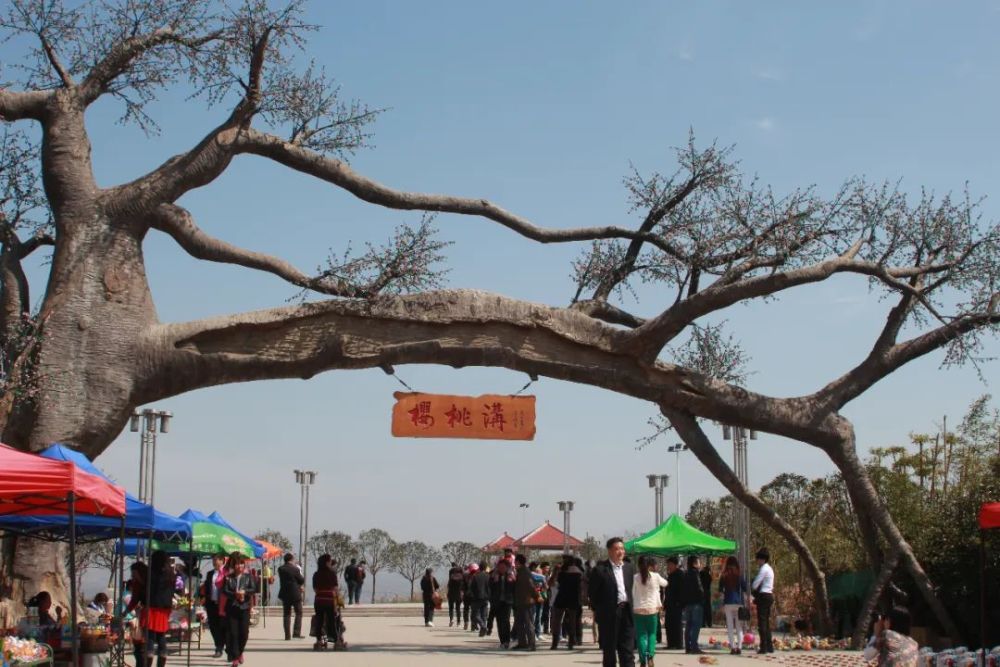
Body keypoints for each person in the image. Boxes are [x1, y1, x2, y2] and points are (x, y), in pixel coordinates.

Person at [587, 537, 636, 667]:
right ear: (609, 551)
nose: (620, 552)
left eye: (622, 549)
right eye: (616, 549)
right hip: (609, 615)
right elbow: (592, 594)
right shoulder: (600, 570)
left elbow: (629, 589)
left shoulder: (629, 568)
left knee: (628, 650)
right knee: (609, 651)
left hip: (626, 612)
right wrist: (602, 609)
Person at [127, 550, 175, 667]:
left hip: (151, 608)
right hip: (165, 609)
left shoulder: (149, 574)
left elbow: (137, 597)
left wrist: (125, 612)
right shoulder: (171, 574)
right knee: (161, 637)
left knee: (150, 638)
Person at [633, 556, 668, 667]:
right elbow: (665, 583)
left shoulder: (635, 577)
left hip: (638, 610)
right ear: (649, 565)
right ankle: (651, 656)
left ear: (638, 565)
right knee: (652, 634)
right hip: (652, 610)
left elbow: (632, 592)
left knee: (641, 635)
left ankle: (643, 659)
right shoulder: (655, 576)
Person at [222, 552, 255, 667]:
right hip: (232, 608)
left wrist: (244, 593)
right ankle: (235, 657)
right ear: (233, 565)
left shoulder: (249, 577)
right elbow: (224, 591)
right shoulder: (228, 578)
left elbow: (253, 589)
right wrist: (234, 594)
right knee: (233, 633)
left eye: (241, 564)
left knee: (244, 633)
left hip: (244, 608)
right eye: (237, 564)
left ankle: (240, 652)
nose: (239, 566)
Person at [551, 554, 582, 650]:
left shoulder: (562, 571)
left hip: (562, 596)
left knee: (557, 620)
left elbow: (557, 582)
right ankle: (571, 642)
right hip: (574, 597)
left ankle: (555, 643)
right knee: (572, 621)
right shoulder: (579, 572)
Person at [719, 556, 749, 655]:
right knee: (739, 626)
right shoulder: (739, 576)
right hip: (738, 602)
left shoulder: (724, 576)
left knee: (730, 626)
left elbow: (720, 591)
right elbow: (745, 588)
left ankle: (732, 647)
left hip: (728, 603)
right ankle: (739, 647)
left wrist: (721, 603)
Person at [312, 554, 341, 650]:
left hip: (319, 600)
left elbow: (315, 589)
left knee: (319, 621)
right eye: (329, 561)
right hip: (329, 600)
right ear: (326, 562)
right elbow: (336, 589)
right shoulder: (332, 574)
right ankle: (336, 641)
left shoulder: (316, 574)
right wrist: (337, 602)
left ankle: (319, 641)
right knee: (331, 622)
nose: (330, 562)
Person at [202, 552, 229, 657]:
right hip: (211, 604)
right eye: (213, 560)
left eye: (217, 559)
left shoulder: (226, 573)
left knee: (223, 626)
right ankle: (218, 647)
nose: (214, 561)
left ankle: (226, 645)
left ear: (223, 561)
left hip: (223, 605)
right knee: (213, 626)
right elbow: (207, 588)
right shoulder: (209, 574)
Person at [751, 548, 775, 654]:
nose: (757, 561)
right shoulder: (769, 568)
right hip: (769, 595)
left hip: (763, 596)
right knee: (766, 623)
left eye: (758, 559)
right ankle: (769, 646)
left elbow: (755, 584)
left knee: (762, 623)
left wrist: (752, 585)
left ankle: (763, 647)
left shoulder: (764, 569)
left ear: (762, 559)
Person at [277, 553, 305, 641]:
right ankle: (296, 633)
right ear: (291, 559)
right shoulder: (295, 569)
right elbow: (301, 580)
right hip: (295, 593)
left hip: (285, 593)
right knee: (299, 613)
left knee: (286, 614)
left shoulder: (280, 569)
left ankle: (287, 635)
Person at [682, 556, 705, 655]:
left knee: (688, 625)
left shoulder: (685, 574)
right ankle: (694, 646)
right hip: (696, 603)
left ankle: (688, 646)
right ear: (695, 563)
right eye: (698, 562)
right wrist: (702, 597)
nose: (700, 564)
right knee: (696, 625)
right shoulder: (696, 573)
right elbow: (699, 588)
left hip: (687, 603)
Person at [489, 558, 515, 649]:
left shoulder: (511, 575)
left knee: (506, 621)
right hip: (497, 601)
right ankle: (502, 641)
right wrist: (494, 581)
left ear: (507, 567)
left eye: (503, 567)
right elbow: (489, 587)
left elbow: (515, 588)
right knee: (499, 621)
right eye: (499, 567)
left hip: (508, 602)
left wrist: (512, 581)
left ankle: (507, 641)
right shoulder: (494, 575)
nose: (501, 569)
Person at [513, 554, 537, 650]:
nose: (514, 563)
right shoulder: (519, 572)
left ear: (519, 562)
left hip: (527, 602)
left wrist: (535, 597)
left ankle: (532, 644)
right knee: (519, 623)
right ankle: (522, 642)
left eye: (515, 562)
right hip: (519, 601)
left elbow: (532, 586)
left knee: (528, 624)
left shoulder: (526, 573)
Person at [468, 562, 490, 636]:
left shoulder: (476, 576)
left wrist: (471, 595)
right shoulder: (488, 576)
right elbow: (490, 587)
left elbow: (472, 587)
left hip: (477, 598)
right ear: (486, 567)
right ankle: (482, 631)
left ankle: (483, 627)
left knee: (475, 615)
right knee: (484, 616)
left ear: (479, 568)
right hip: (486, 598)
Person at [446, 562, 464, 627]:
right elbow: (463, 585)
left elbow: (449, 584)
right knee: (458, 608)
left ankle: (451, 620)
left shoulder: (451, 573)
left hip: (451, 593)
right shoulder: (461, 577)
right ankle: (458, 622)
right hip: (458, 594)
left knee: (451, 608)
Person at [699, 562, 713, 628]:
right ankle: (709, 623)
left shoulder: (701, 574)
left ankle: (703, 623)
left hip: (702, 593)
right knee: (708, 608)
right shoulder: (709, 576)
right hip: (708, 592)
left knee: (702, 608)